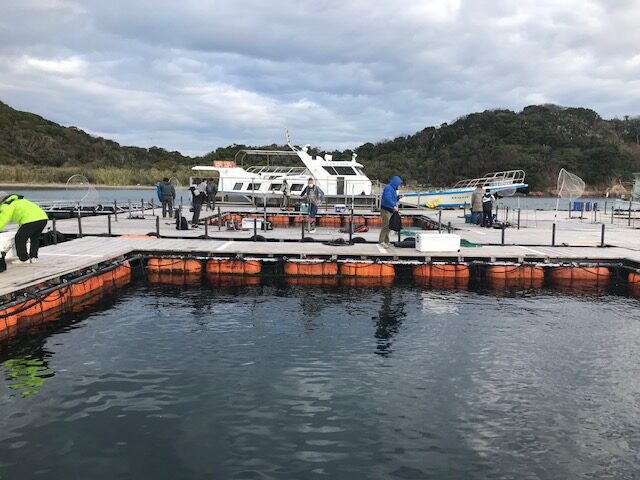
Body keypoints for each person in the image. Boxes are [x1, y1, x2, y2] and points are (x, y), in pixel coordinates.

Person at [0, 193, 49, 265]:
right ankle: (33, 257)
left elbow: (2, 219)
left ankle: (24, 259)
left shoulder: (7, 205)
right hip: (43, 218)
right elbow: (24, 213)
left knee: (19, 238)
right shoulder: (19, 200)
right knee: (34, 238)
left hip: (31, 220)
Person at [379, 176, 403, 247]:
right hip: (385, 209)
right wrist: (394, 206)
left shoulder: (393, 189)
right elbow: (387, 198)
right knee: (386, 225)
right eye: (399, 185)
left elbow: (394, 199)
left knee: (389, 226)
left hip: (390, 210)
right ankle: (381, 241)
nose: (400, 186)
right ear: (396, 183)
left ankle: (386, 241)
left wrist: (398, 197)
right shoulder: (388, 188)